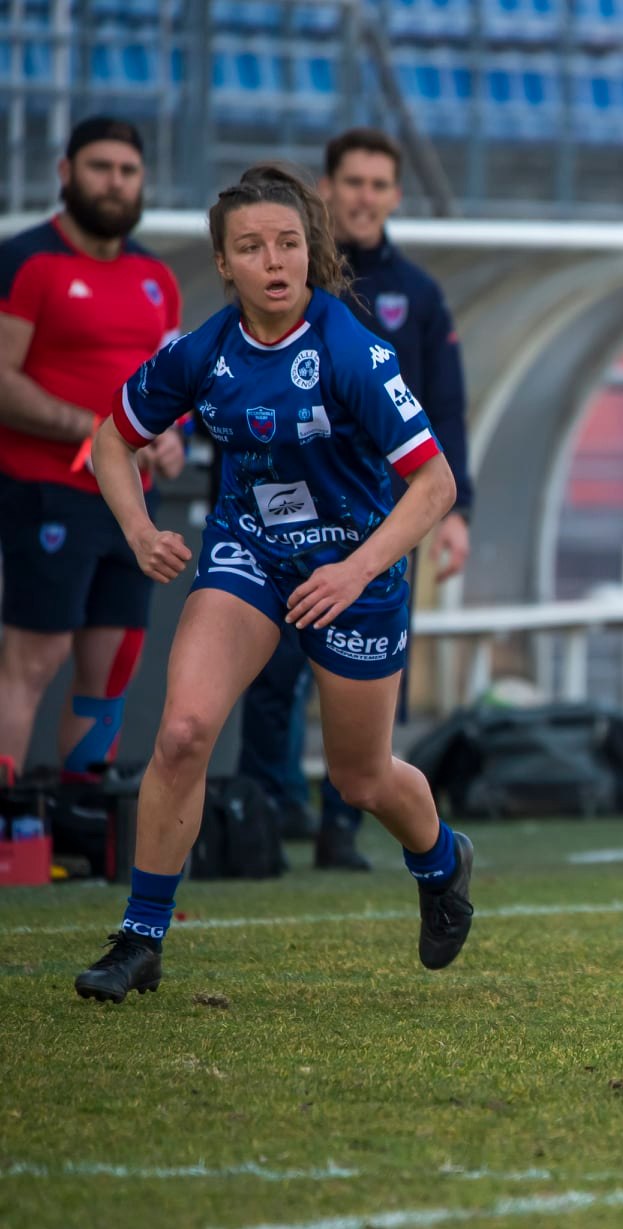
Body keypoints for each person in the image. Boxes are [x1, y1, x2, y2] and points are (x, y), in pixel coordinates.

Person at [72, 163, 473, 1003]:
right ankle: (141, 939)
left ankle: (441, 860)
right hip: (248, 552)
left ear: (309, 250)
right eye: (251, 247)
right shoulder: (202, 353)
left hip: (355, 568)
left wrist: (356, 567)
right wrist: (141, 531)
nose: (274, 260)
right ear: (224, 263)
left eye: (288, 243)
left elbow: (433, 485)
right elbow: (113, 437)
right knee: (183, 733)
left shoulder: (353, 351)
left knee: (362, 779)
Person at [235, 127, 474, 871]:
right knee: (271, 671)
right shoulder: (288, 277)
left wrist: (455, 511)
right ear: (327, 192)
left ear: (395, 196)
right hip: (278, 515)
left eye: (380, 185)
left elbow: (446, 407)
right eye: (354, 183)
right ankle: (274, 813)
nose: (366, 197)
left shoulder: (419, 295)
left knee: (371, 677)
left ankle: (343, 826)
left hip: (374, 522)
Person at [0, 116, 185, 781]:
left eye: (128, 171)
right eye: (101, 167)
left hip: (132, 507)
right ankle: (8, 834)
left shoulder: (157, 280)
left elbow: (171, 392)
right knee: (32, 660)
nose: (114, 183)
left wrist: (168, 444)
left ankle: (81, 817)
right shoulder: (26, 260)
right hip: (45, 490)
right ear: (65, 173)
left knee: (112, 663)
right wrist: (99, 432)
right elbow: (2, 379)